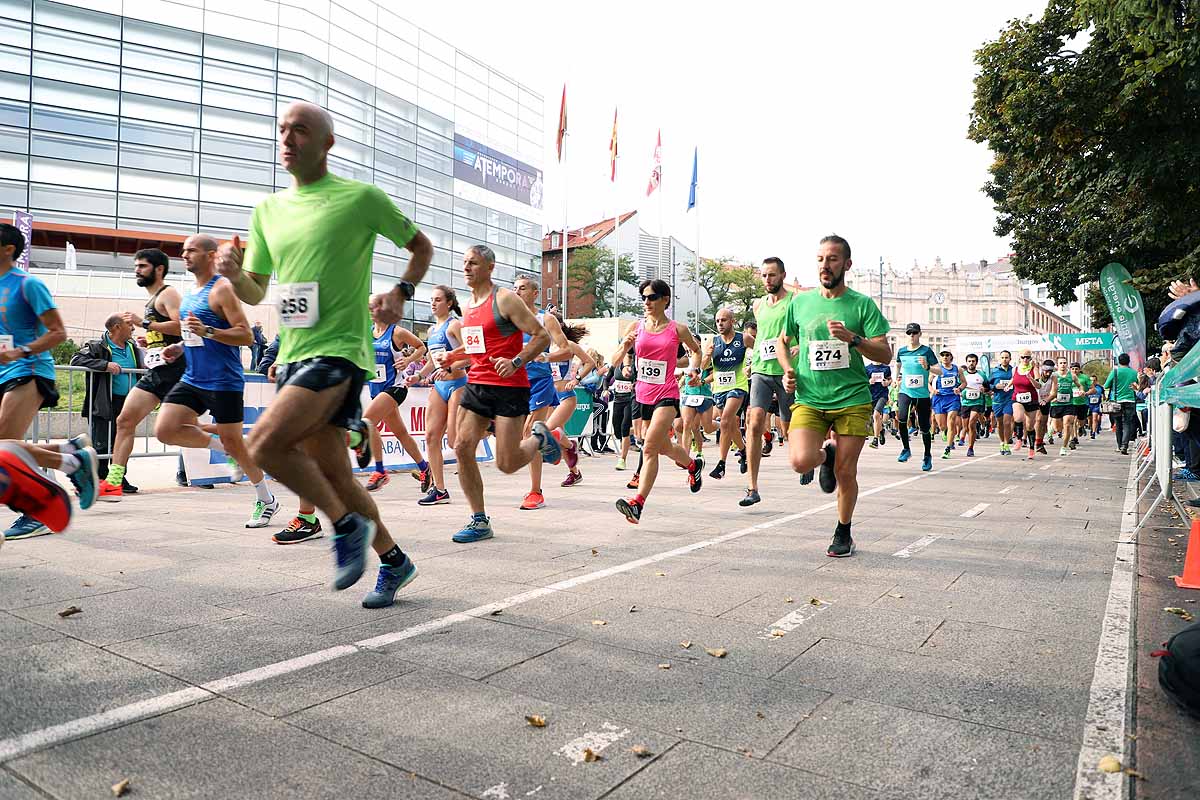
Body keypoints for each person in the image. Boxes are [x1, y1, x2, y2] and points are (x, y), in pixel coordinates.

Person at [216, 100, 434, 608]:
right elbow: (255, 291)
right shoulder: (266, 211)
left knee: (265, 445)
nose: (288, 139)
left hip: (340, 351)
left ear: (326, 143)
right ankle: (396, 561)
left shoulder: (360, 198)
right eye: (283, 130)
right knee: (335, 473)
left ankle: (342, 526)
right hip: (293, 352)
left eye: (301, 131)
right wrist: (231, 273)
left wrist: (401, 292)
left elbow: (420, 246)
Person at [431, 244, 560, 542]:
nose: (466, 268)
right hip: (477, 385)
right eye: (464, 263)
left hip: (509, 387)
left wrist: (516, 362)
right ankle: (479, 520)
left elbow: (541, 337)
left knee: (507, 463)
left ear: (489, 268)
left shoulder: (505, 299)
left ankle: (540, 437)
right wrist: (453, 358)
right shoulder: (468, 306)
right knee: (462, 446)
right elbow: (478, 348)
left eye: (473, 263)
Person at [776, 234, 891, 557]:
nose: (825, 266)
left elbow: (885, 354)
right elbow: (783, 343)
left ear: (847, 264)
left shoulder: (862, 304)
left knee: (846, 471)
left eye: (833, 259)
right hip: (810, 397)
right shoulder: (800, 302)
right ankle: (824, 455)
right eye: (821, 259)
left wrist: (854, 339)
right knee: (800, 462)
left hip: (853, 398)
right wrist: (788, 370)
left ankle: (844, 531)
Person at [153, 234, 278, 527]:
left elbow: (246, 335)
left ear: (211, 255)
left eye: (192, 250)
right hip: (193, 378)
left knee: (236, 443)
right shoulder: (189, 294)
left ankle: (266, 499)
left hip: (224, 381)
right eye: (183, 250)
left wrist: (209, 331)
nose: (184, 255)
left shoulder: (223, 290)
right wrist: (179, 347)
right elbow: (193, 334)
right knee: (166, 430)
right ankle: (228, 448)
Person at [0, 223, 99, 539]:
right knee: (4, 448)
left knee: (3, 446)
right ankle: (70, 456)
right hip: (4, 372)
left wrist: (20, 352)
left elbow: (58, 333)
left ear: (8, 249)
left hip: (28, 369)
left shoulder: (28, 285)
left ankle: (36, 509)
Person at [610, 279, 705, 524]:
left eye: (652, 297)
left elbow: (696, 351)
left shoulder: (677, 329)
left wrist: (695, 370)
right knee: (664, 447)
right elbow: (614, 360)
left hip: (667, 394)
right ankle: (693, 466)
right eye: (644, 297)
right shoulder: (636, 327)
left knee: (649, 447)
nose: (646, 302)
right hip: (642, 395)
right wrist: (625, 347)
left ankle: (638, 503)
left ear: (665, 299)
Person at [99, 247, 183, 501]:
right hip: (157, 372)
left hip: (179, 372)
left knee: (184, 429)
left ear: (159, 270)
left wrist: (144, 323)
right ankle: (113, 481)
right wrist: (152, 339)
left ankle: (233, 449)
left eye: (142, 266)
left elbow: (182, 326)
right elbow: (166, 331)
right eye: (135, 266)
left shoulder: (168, 294)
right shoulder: (151, 300)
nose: (137, 270)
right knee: (124, 421)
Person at [511, 277, 589, 509]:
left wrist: (546, 357)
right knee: (521, 436)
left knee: (530, 433)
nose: (516, 292)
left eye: (522, 288)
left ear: (535, 293)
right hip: (517, 384)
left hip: (541, 383)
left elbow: (565, 350)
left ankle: (536, 492)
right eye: (514, 288)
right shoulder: (510, 320)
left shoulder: (546, 319)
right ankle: (563, 445)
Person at [360, 294, 431, 493]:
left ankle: (380, 471)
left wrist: (408, 361)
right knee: (400, 433)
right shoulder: (367, 332)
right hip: (377, 388)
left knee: (367, 422)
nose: (369, 310)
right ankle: (425, 468)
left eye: (372, 307)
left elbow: (421, 347)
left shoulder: (397, 332)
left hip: (395, 388)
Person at [742, 257, 796, 507]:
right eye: (764, 275)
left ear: (783, 275)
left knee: (788, 425)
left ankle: (801, 459)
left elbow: (803, 333)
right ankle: (752, 487)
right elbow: (762, 335)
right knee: (754, 421)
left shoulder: (794, 301)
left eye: (772, 275)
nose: (767, 280)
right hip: (762, 370)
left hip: (786, 371)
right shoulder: (758, 305)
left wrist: (798, 349)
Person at [408, 284, 468, 506]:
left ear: (449, 303)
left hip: (458, 383)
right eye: (431, 300)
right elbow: (433, 360)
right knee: (431, 437)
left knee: (453, 440)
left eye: (438, 300)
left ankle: (486, 426)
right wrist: (419, 376)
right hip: (439, 386)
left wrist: (451, 368)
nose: (433, 304)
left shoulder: (455, 326)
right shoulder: (432, 331)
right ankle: (439, 489)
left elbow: (472, 355)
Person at [71, 314, 143, 489]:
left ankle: (118, 478)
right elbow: (76, 359)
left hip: (129, 401)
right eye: (129, 324)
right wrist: (104, 365)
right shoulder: (97, 346)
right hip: (104, 402)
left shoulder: (133, 347)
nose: (133, 328)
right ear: (117, 327)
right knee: (102, 442)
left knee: (123, 440)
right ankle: (101, 478)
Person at [708, 308, 753, 479]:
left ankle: (721, 464)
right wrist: (706, 355)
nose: (720, 323)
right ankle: (743, 450)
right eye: (718, 320)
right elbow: (705, 365)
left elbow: (760, 352)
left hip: (738, 386)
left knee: (725, 421)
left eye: (724, 320)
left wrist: (751, 367)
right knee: (730, 426)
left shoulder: (744, 338)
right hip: (719, 388)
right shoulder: (713, 341)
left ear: (732, 321)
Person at [893, 322, 940, 470]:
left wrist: (928, 367)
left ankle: (927, 455)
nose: (911, 336)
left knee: (925, 427)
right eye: (909, 333)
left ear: (920, 334)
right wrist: (896, 379)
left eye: (914, 333)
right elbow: (898, 365)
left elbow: (940, 371)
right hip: (906, 391)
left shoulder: (926, 351)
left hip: (922, 394)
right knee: (901, 418)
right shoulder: (901, 351)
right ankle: (906, 449)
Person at [1105, 353, 1141, 455]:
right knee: (1128, 423)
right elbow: (1137, 385)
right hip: (1130, 400)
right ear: (1128, 361)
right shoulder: (1134, 373)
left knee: (1118, 423)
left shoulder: (1115, 372)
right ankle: (1125, 445)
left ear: (1119, 361)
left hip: (1117, 401)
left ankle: (1119, 445)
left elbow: (1107, 385)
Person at [955, 353, 990, 457]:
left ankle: (970, 448)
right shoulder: (962, 375)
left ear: (976, 362)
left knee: (972, 423)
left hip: (977, 402)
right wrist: (958, 390)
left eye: (973, 361)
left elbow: (988, 387)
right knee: (965, 426)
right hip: (965, 402)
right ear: (967, 362)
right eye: (969, 361)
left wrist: (985, 389)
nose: (971, 363)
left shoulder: (982, 375)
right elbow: (957, 386)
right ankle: (965, 438)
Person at [1047, 357, 1081, 456]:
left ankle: (1064, 447)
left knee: (1067, 424)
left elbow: (1079, 385)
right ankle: (1052, 429)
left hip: (1069, 404)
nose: (1063, 365)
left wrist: (1082, 390)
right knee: (1058, 428)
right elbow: (1046, 387)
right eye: (1061, 363)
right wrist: (1051, 397)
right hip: (1056, 404)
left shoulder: (1072, 376)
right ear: (1057, 365)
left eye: (1065, 363)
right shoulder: (1053, 376)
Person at [610, 350, 637, 470]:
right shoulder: (615, 365)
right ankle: (639, 430)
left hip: (629, 400)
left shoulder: (634, 365)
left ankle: (622, 459)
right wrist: (606, 389)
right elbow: (607, 379)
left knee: (624, 427)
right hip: (617, 400)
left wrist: (635, 385)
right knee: (617, 431)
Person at [990, 350, 1016, 455]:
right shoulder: (994, 371)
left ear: (1010, 359)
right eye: (1002, 357)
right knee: (1000, 423)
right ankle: (1001, 443)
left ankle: (1006, 443)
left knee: (1007, 422)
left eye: (1006, 357)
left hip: (1009, 400)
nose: (1004, 359)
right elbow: (988, 385)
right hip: (997, 401)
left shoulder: (1014, 371)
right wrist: (995, 387)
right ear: (999, 359)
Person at [864, 358, 891, 449]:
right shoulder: (867, 368)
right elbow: (863, 381)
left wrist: (887, 383)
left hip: (882, 395)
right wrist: (869, 382)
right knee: (872, 417)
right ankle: (881, 430)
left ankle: (875, 440)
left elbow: (889, 379)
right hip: (870, 396)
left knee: (876, 415)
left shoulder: (886, 368)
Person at [1069, 362, 1093, 448]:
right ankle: (1074, 437)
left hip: (1083, 402)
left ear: (1079, 369)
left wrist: (1086, 393)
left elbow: (1093, 389)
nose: (1075, 370)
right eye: (1073, 369)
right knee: (1073, 420)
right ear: (1070, 370)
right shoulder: (1068, 377)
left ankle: (1081, 427)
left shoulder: (1084, 378)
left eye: (1076, 369)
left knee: (1081, 420)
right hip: (1071, 402)